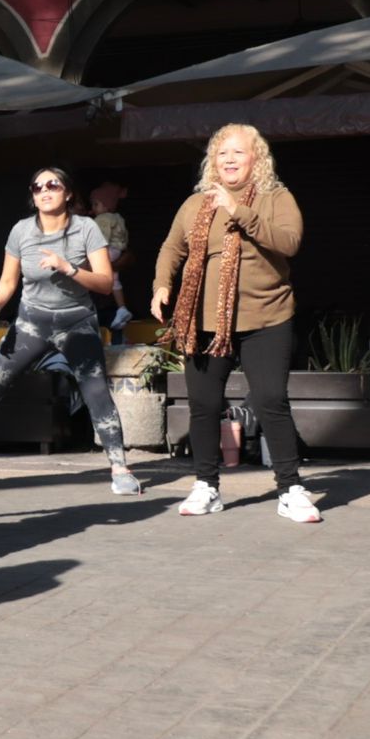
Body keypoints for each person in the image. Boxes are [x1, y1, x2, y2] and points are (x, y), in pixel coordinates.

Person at [0, 166, 142, 497]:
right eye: (36, 187)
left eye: (53, 185)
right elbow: (7, 281)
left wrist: (69, 268)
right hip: (32, 320)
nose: (44, 191)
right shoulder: (21, 231)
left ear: (68, 192)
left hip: (77, 320)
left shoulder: (86, 228)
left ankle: (120, 467)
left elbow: (104, 282)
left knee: (95, 390)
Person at [151, 124, 316, 522]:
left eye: (238, 153)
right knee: (204, 405)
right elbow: (173, 247)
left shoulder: (277, 198)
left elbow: (290, 242)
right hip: (205, 322)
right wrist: (160, 285)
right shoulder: (196, 204)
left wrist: (238, 210)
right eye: (221, 153)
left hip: (266, 315)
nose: (228, 160)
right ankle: (206, 486)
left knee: (271, 400)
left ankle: (290, 488)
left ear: (256, 159)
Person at [90, 181, 134, 331]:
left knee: (99, 270)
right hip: (117, 251)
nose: (93, 208)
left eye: (96, 204)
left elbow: (98, 240)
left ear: (106, 205)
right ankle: (122, 308)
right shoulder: (118, 218)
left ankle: (120, 310)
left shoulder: (102, 220)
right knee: (115, 280)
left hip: (107, 250)